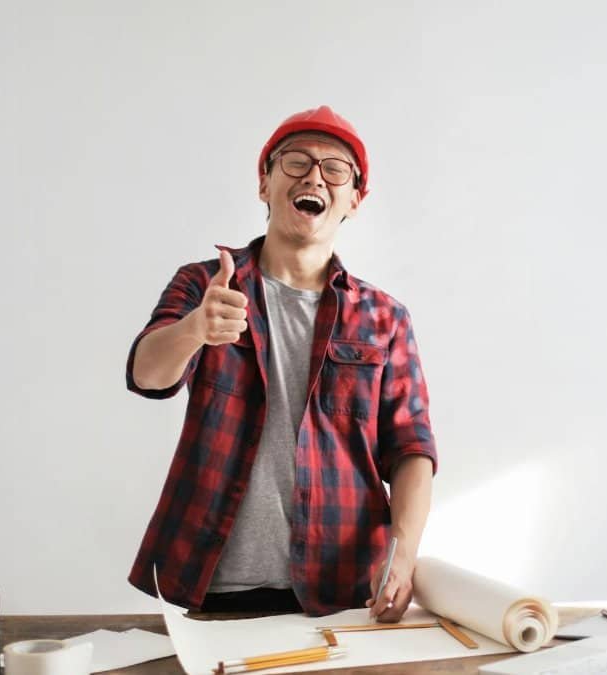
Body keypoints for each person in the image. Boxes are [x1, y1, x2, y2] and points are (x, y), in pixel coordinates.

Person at [125, 106, 437, 620]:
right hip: (221, 588)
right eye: (295, 162)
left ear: (354, 200)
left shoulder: (385, 318)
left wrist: (404, 556)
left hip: (346, 590)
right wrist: (195, 330)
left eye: (334, 168)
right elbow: (146, 374)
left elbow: (412, 450)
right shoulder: (209, 287)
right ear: (264, 184)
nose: (314, 175)